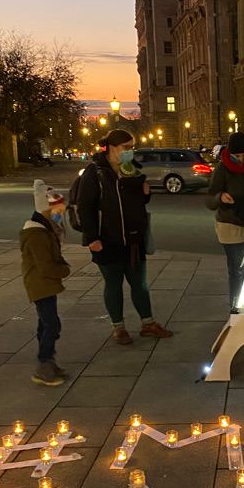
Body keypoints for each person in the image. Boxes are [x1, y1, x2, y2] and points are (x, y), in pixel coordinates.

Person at [77, 129, 172, 343]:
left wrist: (145, 193)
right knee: (113, 284)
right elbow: (85, 207)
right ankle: (118, 327)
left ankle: (148, 323)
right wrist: (92, 237)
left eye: (132, 147)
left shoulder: (133, 171)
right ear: (111, 147)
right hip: (107, 240)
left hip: (133, 239)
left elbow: (137, 203)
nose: (130, 151)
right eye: (126, 147)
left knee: (140, 284)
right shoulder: (96, 172)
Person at [20, 180, 71, 387]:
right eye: (58, 211)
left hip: (44, 284)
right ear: (46, 211)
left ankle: (48, 362)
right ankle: (44, 364)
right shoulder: (37, 235)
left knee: (45, 323)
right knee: (52, 324)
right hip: (40, 284)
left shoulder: (43, 230)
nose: (60, 215)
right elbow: (45, 265)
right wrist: (64, 270)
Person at [207, 131, 244, 311]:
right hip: (230, 223)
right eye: (238, 156)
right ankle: (237, 307)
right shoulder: (223, 168)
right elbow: (210, 198)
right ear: (231, 153)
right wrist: (221, 197)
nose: (242, 159)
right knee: (237, 269)